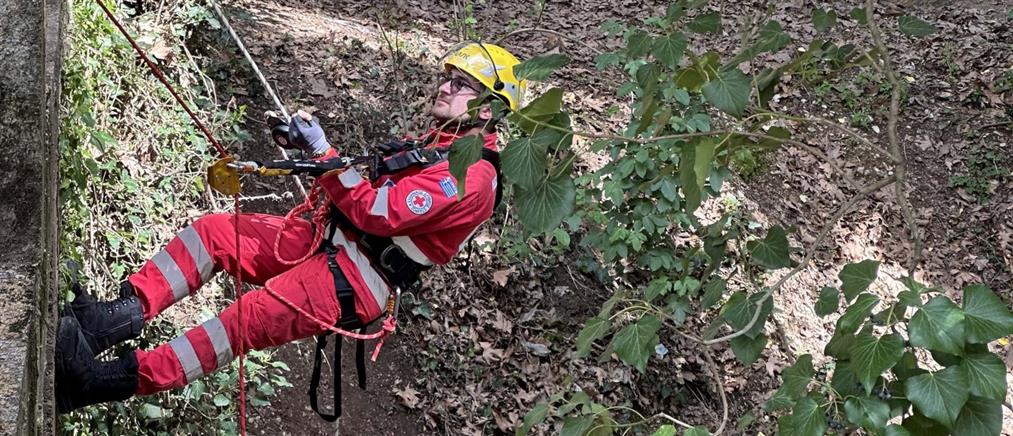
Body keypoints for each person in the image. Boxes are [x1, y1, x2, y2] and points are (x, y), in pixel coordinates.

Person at [55, 42, 527, 413]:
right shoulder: (439, 143)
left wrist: (323, 157)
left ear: (488, 109)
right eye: (447, 79)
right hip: (330, 242)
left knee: (238, 322)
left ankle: (96, 383)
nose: (444, 89)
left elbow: (378, 211)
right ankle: (106, 323)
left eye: (460, 84)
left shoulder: (473, 176)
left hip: (358, 279)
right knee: (216, 234)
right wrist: (309, 152)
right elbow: (362, 187)